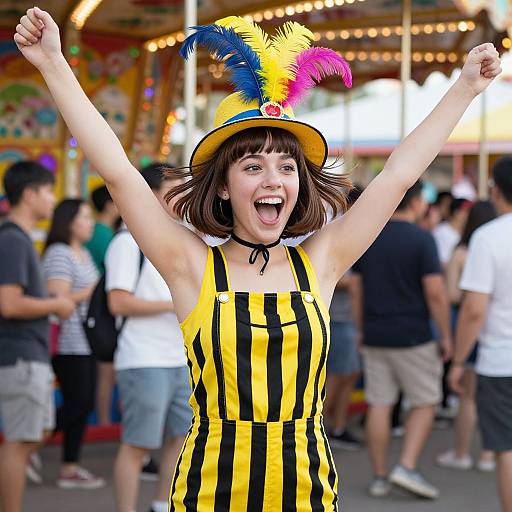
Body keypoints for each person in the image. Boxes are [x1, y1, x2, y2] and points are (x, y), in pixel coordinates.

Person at [14, 8, 501, 510]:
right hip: (210, 494)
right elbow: (117, 173)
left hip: (308, 493)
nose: (274, 179)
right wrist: (52, 63)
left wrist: (464, 87)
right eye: (253, 166)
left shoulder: (323, 261)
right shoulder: (191, 266)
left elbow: (397, 176)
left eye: (287, 166)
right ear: (224, 186)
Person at [352, 181, 452, 499]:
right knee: (425, 402)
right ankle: (406, 466)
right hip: (414, 336)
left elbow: (357, 288)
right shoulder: (423, 239)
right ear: (418, 201)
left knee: (379, 404)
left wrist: (360, 328)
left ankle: (380, 476)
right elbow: (435, 293)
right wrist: (446, 334)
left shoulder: (370, 238)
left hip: (375, 333)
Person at [108, 164, 192, 512]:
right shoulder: (127, 242)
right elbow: (118, 301)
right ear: (151, 194)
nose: (182, 197)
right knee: (138, 445)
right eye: (174, 190)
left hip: (179, 358)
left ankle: (162, 504)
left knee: (182, 439)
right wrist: (174, 304)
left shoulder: (181, 239)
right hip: (143, 358)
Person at [0, 161, 74, 512]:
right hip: (21, 354)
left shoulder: (17, 238)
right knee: (19, 443)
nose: (51, 198)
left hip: (28, 355)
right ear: (29, 195)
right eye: (47, 190)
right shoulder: (13, 239)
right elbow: (9, 304)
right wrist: (55, 304)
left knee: (30, 437)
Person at [449, 156, 512, 512]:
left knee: (506, 450)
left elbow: (474, 310)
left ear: (496, 190)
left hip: (500, 360)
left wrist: (458, 362)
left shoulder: (488, 237)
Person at [42, 199, 103, 489]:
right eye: (85, 217)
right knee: (76, 403)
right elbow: (58, 303)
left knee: (82, 403)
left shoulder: (84, 254)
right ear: (69, 222)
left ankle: (69, 465)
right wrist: (91, 292)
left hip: (86, 342)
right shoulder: (59, 253)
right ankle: (28, 443)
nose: (90, 223)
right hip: (68, 343)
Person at [437, 201, 496, 472]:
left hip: (470, 327)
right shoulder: (499, 244)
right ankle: (488, 454)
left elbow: (452, 295)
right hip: (496, 327)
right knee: (494, 396)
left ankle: (462, 453)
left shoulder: (461, 252)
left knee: (470, 397)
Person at [324, 187, 362, 450]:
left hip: (344, 319)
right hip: (337, 319)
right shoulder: (334, 231)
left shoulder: (348, 232)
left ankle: (336, 426)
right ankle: (327, 428)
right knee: (338, 375)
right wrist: (349, 283)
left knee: (347, 374)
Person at [85, 185, 119, 431]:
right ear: (109, 204)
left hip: (98, 307)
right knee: (106, 371)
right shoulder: (105, 234)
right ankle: (105, 422)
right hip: (103, 308)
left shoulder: (100, 232)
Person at [432, 197, 472, 268]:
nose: (469, 215)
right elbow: (441, 262)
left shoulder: (467, 232)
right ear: (456, 212)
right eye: (466, 211)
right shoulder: (442, 231)